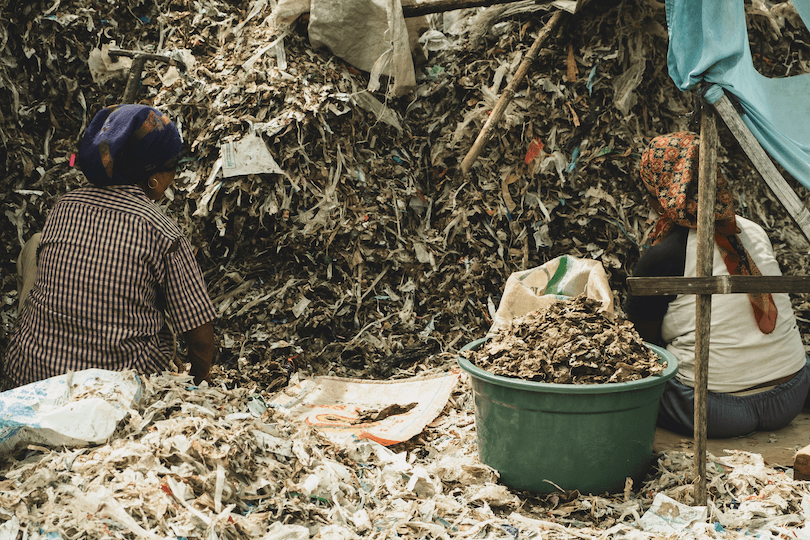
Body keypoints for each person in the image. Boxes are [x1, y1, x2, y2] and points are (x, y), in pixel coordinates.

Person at [0, 104, 217, 391]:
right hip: (108, 394)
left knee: (35, 244)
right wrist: (199, 386)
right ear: (153, 178)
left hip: (29, 378)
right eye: (172, 168)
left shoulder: (65, 206)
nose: (174, 177)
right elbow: (200, 338)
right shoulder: (161, 231)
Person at [626, 131, 810, 438]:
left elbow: (643, 345)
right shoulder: (753, 231)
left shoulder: (663, 257)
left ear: (659, 194)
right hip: (791, 394)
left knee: (636, 377)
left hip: (713, 411)